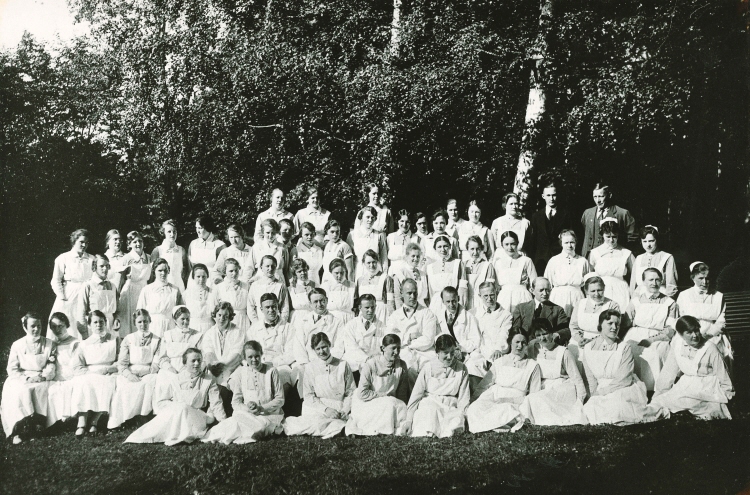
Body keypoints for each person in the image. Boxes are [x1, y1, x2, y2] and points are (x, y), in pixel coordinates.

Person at [581, 310, 668, 425]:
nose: (614, 327)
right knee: (590, 410)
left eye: (617, 324)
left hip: (624, 387)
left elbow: (624, 379)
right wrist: (594, 394)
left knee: (618, 407)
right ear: (600, 324)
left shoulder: (624, 347)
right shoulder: (588, 348)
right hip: (601, 387)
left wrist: (603, 392)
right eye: (610, 323)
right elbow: (591, 378)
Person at [125, 348, 227, 445]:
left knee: (183, 408)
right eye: (193, 361)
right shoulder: (175, 379)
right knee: (179, 409)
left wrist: (223, 423)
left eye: (199, 360)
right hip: (177, 416)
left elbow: (216, 403)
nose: (196, 363)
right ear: (185, 363)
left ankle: (181, 435)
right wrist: (176, 406)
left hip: (197, 418)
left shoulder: (208, 380)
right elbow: (161, 402)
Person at [651, 316, 734, 420]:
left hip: (707, 385)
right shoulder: (677, 345)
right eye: (689, 332)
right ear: (681, 334)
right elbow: (668, 373)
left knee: (692, 402)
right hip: (686, 383)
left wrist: (727, 394)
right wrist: (659, 393)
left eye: (696, 330)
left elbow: (722, 374)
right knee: (660, 402)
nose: (695, 335)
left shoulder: (710, 348)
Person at [202, 341, 285, 444]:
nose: (254, 360)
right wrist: (248, 408)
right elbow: (236, 402)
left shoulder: (271, 371)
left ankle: (260, 430)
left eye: (257, 356)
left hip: (269, 414)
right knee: (233, 422)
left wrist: (261, 408)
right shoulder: (241, 372)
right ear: (244, 358)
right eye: (250, 357)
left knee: (261, 424)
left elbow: (280, 399)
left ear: (261, 354)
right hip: (247, 414)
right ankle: (216, 436)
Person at [283, 332, 355, 438]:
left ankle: (338, 427)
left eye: (324, 347)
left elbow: (351, 392)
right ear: (314, 350)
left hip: (339, 407)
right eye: (318, 349)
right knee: (316, 423)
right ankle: (340, 429)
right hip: (317, 407)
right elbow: (308, 396)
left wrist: (345, 410)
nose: (321, 351)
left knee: (347, 420)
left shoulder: (343, 365)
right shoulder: (310, 368)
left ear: (329, 345)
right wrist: (326, 410)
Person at [467, 329, 541, 433]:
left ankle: (495, 422)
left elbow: (534, 395)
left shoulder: (532, 365)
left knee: (506, 410)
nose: (520, 346)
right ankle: (497, 423)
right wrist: (473, 400)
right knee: (475, 408)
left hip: (515, 401)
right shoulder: (500, 361)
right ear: (510, 343)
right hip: (494, 396)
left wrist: (509, 400)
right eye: (517, 342)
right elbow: (485, 385)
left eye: (523, 343)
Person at [1, 311, 57, 444]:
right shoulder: (17, 345)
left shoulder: (50, 344)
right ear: (25, 326)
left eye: (39, 326)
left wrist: (43, 376)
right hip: (22, 377)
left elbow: (51, 365)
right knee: (19, 391)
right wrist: (26, 379)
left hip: (41, 377)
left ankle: (37, 425)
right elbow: (12, 369)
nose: (36, 329)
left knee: (42, 389)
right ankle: (17, 430)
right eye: (33, 326)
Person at [519, 319, 588, 425]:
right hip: (542, 387)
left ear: (552, 333)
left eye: (545, 333)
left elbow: (576, 378)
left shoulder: (564, 352)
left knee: (535, 399)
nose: (542, 338)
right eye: (538, 335)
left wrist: (580, 402)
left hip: (561, 389)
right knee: (532, 398)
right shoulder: (533, 349)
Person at [403, 334, 470, 438]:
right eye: (445, 353)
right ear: (437, 351)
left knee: (455, 422)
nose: (449, 357)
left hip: (450, 405)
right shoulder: (428, 368)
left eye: (452, 352)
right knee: (430, 415)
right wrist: (408, 420)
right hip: (430, 403)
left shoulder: (462, 368)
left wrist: (464, 416)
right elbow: (416, 396)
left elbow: (463, 398)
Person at [622, 268, 677, 391]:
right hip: (635, 334)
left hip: (659, 337)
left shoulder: (670, 303)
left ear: (662, 281)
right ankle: (632, 389)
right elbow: (626, 323)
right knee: (630, 351)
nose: (654, 283)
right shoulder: (635, 301)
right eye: (650, 280)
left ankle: (654, 390)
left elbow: (670, 330)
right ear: (644, 282)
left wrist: (651, 340)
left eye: (657, 280)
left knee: (655, 353)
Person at [345, 334, 411, 436]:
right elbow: (362, 393)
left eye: (399, 348)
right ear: (383, 348)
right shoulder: (371, 364)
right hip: (368, 401)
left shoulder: (402, 365)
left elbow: (402, 394)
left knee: (400, 405)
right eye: (393, 348)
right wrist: (383, 395)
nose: (396, 352)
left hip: (390, 401)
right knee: (389, 404)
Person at [108, 309, 162, 429]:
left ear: (150, 321)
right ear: (135, 323)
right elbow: (122, 363)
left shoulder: (157, 340)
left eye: (145, 321)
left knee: (150, 384)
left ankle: (144, 415)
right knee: (124, 386)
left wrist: (147, 371)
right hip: (130, 371)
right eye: (140, 322)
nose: (143, 325)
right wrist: (129, 374)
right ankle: (125, 418)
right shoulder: (128, 339)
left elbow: (156, 362)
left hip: (149, 372)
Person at [70, 310, 119, 437]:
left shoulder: (114, 340)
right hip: (90, 373)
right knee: (83, 383)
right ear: (89, 325)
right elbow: (77, 366)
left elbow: (121, 360)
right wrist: (91, 372)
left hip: (109, 372)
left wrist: (109, 369)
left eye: (101, 322)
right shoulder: (84, 344)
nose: (98, 325)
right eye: (95, 322)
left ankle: (94, 421)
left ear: (105, 323)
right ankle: (82, 422)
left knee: (107, 384)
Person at [676, 262, 732, 364]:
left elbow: (721, 322)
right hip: (690, 333)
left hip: (712, 334)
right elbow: (682, 319)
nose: (705, 282)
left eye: (707, 278)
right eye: (701, 278)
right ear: (693, 278)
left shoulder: (718, 296)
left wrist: (707, 335)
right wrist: (693, 335)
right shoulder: (684, 295)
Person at [386, 279, 440, 380]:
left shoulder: (427, 313)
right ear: (402, 294)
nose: (413, 296)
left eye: (415, 293)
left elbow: (428, 340)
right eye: (409, 293)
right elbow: (389, 339)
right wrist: (409, 337)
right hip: (404, 354)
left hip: (425, 353)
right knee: (405, 372)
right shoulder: (395, 316)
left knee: (431, 373)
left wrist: (405, 343)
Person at [201, 302, 246, 416]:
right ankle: (212, 414)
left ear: (230, 317)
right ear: (214, 316)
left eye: (226, 316)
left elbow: (236, 353)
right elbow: (208, 352)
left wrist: (224, 366)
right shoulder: (209, 333)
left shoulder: (237, 331)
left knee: (231, 385)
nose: (222, 319)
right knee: (210, 385)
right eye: (219, 315)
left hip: (232, 368)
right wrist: (213, 365)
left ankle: (218, 414)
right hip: (215, 369)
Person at [49, 228, 95, 339]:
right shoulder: (63, 258)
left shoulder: (92, 259)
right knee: (68, 324)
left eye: (86, 243)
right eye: (81, 242)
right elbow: (56, 280)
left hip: (86, 294)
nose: (84, 245)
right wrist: (62, 296)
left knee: (84, 323)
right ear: (74, 241)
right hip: (69, 295)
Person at [245, 293, 297, 390]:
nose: (271, 310)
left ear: (278, 307)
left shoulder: (289, 328)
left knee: (282, 379)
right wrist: (260, 363)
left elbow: (291, 353)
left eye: (273, 306)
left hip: (280, 365)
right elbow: (247, 351)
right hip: (259, 364)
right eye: (267, 307)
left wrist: (273, 363)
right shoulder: (253, 329)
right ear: (261, 309)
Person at [580, 182, 637, 259]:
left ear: (609, 195)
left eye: (601, 196)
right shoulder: (587, 213)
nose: (598, 200)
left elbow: (632, 238)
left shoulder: (622, 214)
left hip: (612, 258)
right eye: (595, 197)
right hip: (589, 258)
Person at [529, 182, 576, 274]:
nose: (551, 198)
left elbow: (572, 237)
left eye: (554, 195)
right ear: (543, 196)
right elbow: (532, 241)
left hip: (561, 258)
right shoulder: (536, 216)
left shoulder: (566, 215)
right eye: (548, 195)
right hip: (541, 260)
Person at [292, 288, 345, 370]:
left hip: (328, 364)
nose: (319, 304)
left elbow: (339, 347)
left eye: (322, 300)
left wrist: (326, 363)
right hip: (307, 364)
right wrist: (305, 364)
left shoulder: (337, 322)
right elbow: (299, 346)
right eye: (315, 302)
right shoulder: (303, 321)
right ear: (310, 304)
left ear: (327, 300)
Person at [588, 218, 634, 310]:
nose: (611, 240)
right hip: (602, 290)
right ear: (602, 235)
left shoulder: (626, 253)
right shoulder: (594, 253)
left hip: (621, 290)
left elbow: (635, 275)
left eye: (614, 236)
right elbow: (590, 275)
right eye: (608, 237)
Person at [544, 230, 592, 317]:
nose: (569, 245)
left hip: (576, 296)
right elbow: (547, 282)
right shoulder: (554, 260)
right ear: (561, 243)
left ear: (576, 243)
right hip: (558, 297)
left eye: (572, 242)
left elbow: (589, 283)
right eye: (566, 243)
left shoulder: (582, 261)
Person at [569, 274, 621, 354]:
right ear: (586, 291)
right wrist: (579, 339)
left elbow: (613, 329)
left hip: (603, 342)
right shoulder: (580, 303)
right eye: (593, 291)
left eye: (599, 290)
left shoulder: (612, 305)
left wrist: (593, 341)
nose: (596, 294)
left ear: (604, 288)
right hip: (580, 341)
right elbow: (573, 326)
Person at [46, 313, 80, 428]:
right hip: (56, 377)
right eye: (54, 327)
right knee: (51, 390)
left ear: (67, 325)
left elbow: (78, 364)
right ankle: (54, 421)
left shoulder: (75, 343)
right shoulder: (51, 344)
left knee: (68, 387)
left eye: (60, 326)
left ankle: (70, 419)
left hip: (72, 376)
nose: (57, 329)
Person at [511, 277, 571, 343]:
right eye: (541, 290)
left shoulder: (558, 310)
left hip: (547, 345)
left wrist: (556, 335)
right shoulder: (520, 308)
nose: (545, 293)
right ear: (532, 290)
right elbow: (515, 330)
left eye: (547, 290)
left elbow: (566, 330)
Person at [136, 258, 184, 338]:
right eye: (160, 270)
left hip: (170, 327)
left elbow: (180, 312)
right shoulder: (147, 289)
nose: (163, 273)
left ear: (168, 271)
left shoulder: (175, 290)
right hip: (152, 327)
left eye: (165, 270)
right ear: (154, 271)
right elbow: (140, 312)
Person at [341, 294, 386, 375]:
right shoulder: (351, 325)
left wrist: (371, 361)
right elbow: (351, 347)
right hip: (354, 365)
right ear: (360, 308)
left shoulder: (382, 326)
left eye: (372, 307)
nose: (370, 310)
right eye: (367, 308)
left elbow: (382, 347)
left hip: (373, 365)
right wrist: (366, 359)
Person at [76, 254, 121, 338]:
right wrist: (84, 334)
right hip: (94, 327)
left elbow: (117, 310)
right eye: (102, 266)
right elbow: (81, 313)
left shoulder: (112, 286)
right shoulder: (88, 285)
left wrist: (117, 319)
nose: (105, 269)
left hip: (111, 328)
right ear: (94, 267)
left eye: (107, 266)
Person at [117, 231, 152, 337]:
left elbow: (151, 278)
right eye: (134, 242)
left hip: (145, 289)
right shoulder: (126, 259)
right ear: (129, 244)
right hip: (129, 292)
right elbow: (120, 280)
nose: (138, 244)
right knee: (129, 320)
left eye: (140, 241)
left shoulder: (148, 258)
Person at [492, 231, 537, 313]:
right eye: (506, 244)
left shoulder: (526, 260)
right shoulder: (498, 263)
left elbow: (534, 283)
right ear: (502, 245)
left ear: (517, 243)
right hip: (504, 298)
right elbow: (496, 285)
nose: (510, 247)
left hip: (523, 297)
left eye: (513, 244)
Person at [471, 282, 513, 371]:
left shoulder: (506, 315)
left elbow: (504, 334)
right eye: (485, 296)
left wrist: (498, 349)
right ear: (479, 296)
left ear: (497, 293)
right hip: (478, 354)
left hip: (497, 353)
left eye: (492, 295)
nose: (489, 299)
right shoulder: (474, 313)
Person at [630, 225, 678, 298]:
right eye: (644, 241)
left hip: (660, 297)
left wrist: (666, 301)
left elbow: (671, 285)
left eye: (651, 241)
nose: (648, 245)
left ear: (657, 240)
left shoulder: (667, 257)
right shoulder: (638, 258)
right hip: (640, 297)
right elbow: (633, 285)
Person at [426, 235, 467, 314]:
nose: (443, 249)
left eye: (445, 246)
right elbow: (431, 292)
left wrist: (460, 307)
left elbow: (463, 289)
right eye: (439, 247)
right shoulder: (430, 267)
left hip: (453, 303)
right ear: (435, 248)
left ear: (450, 247)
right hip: (436, 305)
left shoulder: (458, 263)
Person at [159, 306, 205, 374]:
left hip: (191, 371)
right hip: (170, 371)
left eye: (187, 319)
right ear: (175, 320)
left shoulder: (197, 335)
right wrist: (170, 368)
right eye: (182, 319)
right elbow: (162, 358)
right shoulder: (167, 335)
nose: (186, 321)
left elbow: (203, 357)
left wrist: (192, 370)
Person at [347, 206, 389, 280]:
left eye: (372, 217)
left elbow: (384, 258)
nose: (370, 220)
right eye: (367, 217)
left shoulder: (379, 235)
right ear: (362, 217)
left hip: (376, 272)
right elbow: (349, 260)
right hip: (359, 272)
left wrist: (384, 275)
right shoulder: (352, 235)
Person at [355, 249, 396, 324]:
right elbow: (357, 303)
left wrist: (392, 320)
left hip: (381, 315)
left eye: (374, 262)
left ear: (377, 262)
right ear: (364, 263)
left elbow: (390, 302)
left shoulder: (386, 278)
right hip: (364, 315)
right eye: (368, 263)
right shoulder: (360, 280)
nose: (371, 265)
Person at [247, 255, 291, 324]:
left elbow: (285, 307)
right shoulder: (255, 285)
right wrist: (257, 324)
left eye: (273, 266)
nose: (270, 269)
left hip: (277, 324)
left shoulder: (280, 285)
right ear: (261, 267)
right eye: (267, 266)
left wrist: (280, 324)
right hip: (259, 323)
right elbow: (250, 307)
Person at [151, 219, 190, 293]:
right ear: (164, 233)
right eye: (169, 231)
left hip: (179, 287)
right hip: (161, 287)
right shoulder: (157, 250)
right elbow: (152, 274)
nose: (172, 234)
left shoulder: (181, 250)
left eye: (174, 231)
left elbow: (186, 271)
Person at [214, 258, 251, 333]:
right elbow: (214, 308)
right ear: (225, 271)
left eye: (236, 270)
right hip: (226, 320)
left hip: (243, 321)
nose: (234, 273)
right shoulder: (219, 287)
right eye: (231, 271)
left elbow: (250, 305)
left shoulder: (246, 286)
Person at [187, 215, 226, 289]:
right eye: (196, 228)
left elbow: (224, 269)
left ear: (208, 227)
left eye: (200, 228)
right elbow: (189, 265)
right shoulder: (193, 244)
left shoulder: (219, 245)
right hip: (193, 282)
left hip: (212, 282)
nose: (197, 231)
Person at [464, 235, 497, 310]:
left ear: (481, 249)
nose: (475, 252)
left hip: (481, 302)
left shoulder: (487, 265)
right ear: (467, 249)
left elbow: (489, 289)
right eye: (472, 249)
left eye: (478, 249)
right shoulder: (464, 265)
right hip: (466, 301)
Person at [391, 243, 429, 308]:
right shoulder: (400, 274)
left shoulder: (423, 274)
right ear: (406, 256)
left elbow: (426, 298)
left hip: (423, 309)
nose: (416, 259)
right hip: (407, 309)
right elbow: (398, 298)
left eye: (418, 256)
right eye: (413, 256)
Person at [253, 219, 290, 284]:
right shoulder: (256, 247)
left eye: (273, 233)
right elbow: (249, 267)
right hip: (261, 281)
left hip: (278, 281)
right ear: (263, 232)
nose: (270, 235)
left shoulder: (282, 248)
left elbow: (286, 269)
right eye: (267, 232)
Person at [183, 263, 217, 332]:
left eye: (203, 276)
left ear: (207, 277)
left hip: (209, 328)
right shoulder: (187, 293)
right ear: (193, 277)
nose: (201, 279)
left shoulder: (214, 293)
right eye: (198, 276)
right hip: (192, 327)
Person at [321, 258, 356, 324]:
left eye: (342, 273)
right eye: (336, 273)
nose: (339, 276)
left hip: (348, 319)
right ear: (331, 272)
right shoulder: (326, 286)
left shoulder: (352, 285)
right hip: (332, 319)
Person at [320, 219, 354, 284]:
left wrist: (351, 286)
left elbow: (350, 270)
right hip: (326, 281)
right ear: (327, 231)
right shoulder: (327, 245)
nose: (335, 235)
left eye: (337, 232)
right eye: (332, 232)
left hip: (339, 282)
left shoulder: (344, 246)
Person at [288, 258, 316, 325]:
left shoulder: (315, 285)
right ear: (295, 273)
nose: (303, 273)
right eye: (299, 271)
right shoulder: (291, 288)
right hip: (297, 319)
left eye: (304, 270)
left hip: (312, 317)